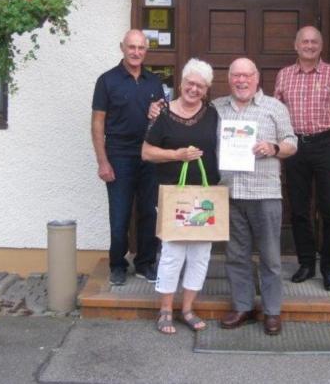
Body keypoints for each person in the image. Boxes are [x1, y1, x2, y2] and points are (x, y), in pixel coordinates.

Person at [214, 58, 297, 336]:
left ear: (256, 78)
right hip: (230, 193)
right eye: (236, 76)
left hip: (265, 194)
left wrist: (273, 147)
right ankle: (243, 307)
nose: (241, 81)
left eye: (246, 76)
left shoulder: (275, 107)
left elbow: (291, 142)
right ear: (229, 79)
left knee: (270, 257)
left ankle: (272, 311)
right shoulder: (216, 108)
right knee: (236, 255)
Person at [273, 25, 330, 292]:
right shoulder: (284, 75)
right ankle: (306, 263)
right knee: (298, 209)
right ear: (296, 45)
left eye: (314, 41)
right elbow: (275, 115)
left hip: (326, 144)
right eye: (305, 41)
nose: (309, 45)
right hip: (295, 146)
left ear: (321, 46)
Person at [142, 58, 221, 334]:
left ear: (207, 89)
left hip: (205, 193)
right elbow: (147, 152)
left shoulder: (212, 113)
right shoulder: (163, 114)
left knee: (200, 254)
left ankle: (187, 308)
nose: (194, 89)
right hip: (173, 193)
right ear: (181, 83)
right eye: (190, 83)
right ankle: (165, 309)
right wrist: (177, 155)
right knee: (173, 253)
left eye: (200, 85)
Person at [91, 29, 165, 286]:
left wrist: (158, 114)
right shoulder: (107, 81)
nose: (136, 52)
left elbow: (161, 121)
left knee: (149, 212)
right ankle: (118, 265)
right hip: (119, 155)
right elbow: (97, 124)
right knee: (120, 214)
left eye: (141, 48)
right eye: (131, 47)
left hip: (149, 155)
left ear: (146, 50)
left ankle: (145, 263)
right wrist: (103, 161)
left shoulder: (154, 82)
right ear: (122, 47)